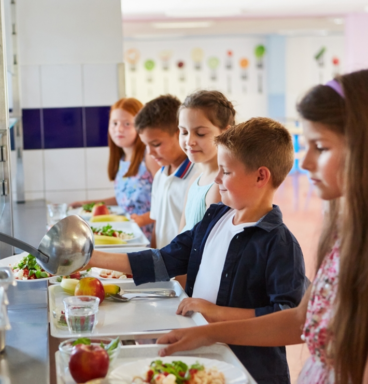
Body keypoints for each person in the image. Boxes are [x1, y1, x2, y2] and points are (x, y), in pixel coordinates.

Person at [156, 70, 368, 384]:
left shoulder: (278, 240)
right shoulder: (345, 235)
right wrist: (205, 333)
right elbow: (299, 320)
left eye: (320, 148)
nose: (305, 163)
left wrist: (211, 324)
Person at [88, 117, 307, 383]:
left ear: (261, 176)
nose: (217, 178)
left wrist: (216, 312)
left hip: (250, 371)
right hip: (206, 356)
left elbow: (285, 318)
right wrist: (91, 258)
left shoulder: (280, 244)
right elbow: (165, 259)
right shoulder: (215, 217)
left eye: (225, 171)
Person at [72, 98, 159, 239]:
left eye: (127, 124)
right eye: (114, 123)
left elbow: (168, 202)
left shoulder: (150, 157)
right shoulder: (122, 159)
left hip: (147, 239)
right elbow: (124, 199)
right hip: (128, 235)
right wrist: (86, 204)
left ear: (141, 125)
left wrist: (142, 220)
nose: (119, 129)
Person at [135, 94, 197, 248]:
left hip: (183, 270)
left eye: (156, 144)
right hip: (164, 268)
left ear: (180, 133)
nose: (150, 152)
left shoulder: (198, 176)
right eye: (146, 145)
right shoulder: (160, 176)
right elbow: (158, 224)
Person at [178, 90, 235, 233]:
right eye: (184, 132)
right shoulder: (195, 179)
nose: (189, 141)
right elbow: (180, 235)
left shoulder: (220, 186)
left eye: (200, 134)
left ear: (225, 133)